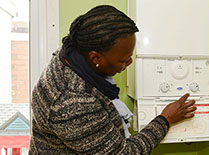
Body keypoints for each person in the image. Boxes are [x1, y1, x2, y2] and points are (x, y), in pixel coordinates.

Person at [29, 5, 196, 154]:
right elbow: (124, 152)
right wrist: (165, 119)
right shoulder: (73, 103)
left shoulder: (73, 51)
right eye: (123, 60)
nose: (129, 63)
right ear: (96, 58)